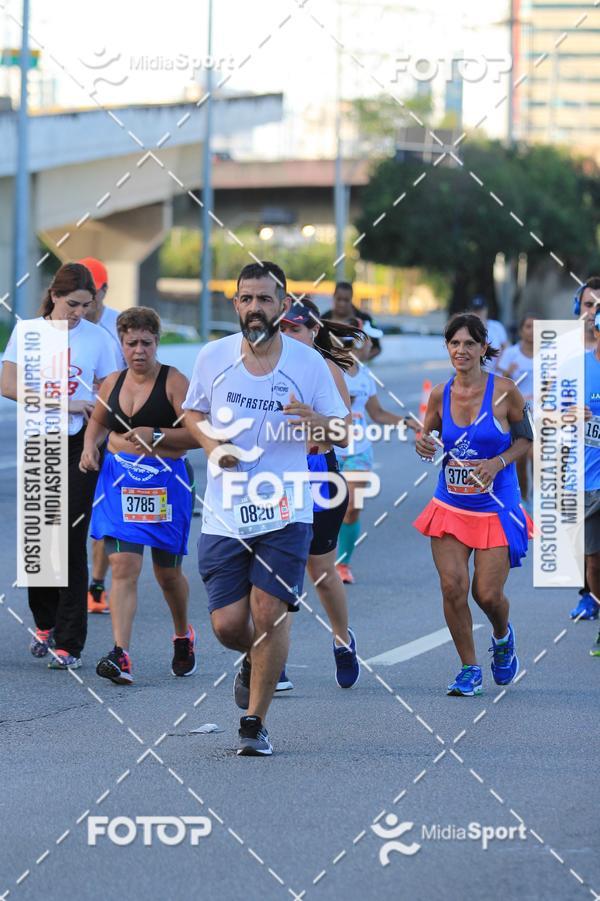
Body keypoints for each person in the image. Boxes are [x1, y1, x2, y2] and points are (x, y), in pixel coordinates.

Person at [182, 261, 348, 756]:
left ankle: (254, 722)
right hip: (226, 511)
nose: (256, 308)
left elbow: (343, 431)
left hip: (286, 509)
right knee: (229, 625)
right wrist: (211, 447)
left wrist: (318, 420)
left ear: (282, 304)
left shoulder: (307, 363)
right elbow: (193, 411)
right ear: (236, 304)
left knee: (269, 612)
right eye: (247, 299)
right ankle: (255, 659)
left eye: (265, 299)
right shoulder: (213, 357)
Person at [1, 262, 119, 669]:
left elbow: (109, 397)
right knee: (40, 540)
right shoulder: (27, 332)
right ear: (54, 296)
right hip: (39, 441)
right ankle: (46, 622)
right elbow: (9, 386)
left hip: (80, 444)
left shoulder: (99, 339)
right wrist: (63, 402)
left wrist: (94, 440)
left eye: (86, 305)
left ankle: (70, 642)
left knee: (68, 539)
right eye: (72, 304)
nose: (79, 313)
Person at [413, 313, 533, 697]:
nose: (461, 350)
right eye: (454, 343)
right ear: (447, 348)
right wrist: (423, 443)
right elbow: (428, 433)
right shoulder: (440, 394)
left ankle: (502, 635)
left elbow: (525, 440)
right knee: (452, 587)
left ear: (484, 348)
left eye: (469, 343)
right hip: (450, 504)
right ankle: (469, 668)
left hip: (496, 505)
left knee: (487, 594)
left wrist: (496, 462)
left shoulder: (505, 391)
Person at [80, 307, 197, 684]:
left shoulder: (175, 382)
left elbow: (199, 435)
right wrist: (89, 448)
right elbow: (97, 422)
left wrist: (157, 435)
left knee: (167, 573)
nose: (139, 351)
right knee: (123, 567)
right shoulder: (112, 382)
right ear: (122, 343)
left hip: (166, 485)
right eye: (131, 343)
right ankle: (121, 653)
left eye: (146, 343)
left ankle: (182, 634)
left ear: (157, 342)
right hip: (121, 485)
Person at [279, 298, 360, 689]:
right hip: (273, 480)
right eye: (282, 329)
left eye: (295, 328)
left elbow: (345, 433)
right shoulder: (265, 368)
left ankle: (343, 640)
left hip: (319, 478)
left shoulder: (325, 369)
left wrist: (317, 424)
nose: (288, 336)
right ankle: (273, 660)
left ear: (313, 332)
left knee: (321, 573)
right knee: (280, 570)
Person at [334, 318, 416, 585]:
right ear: (356, 340)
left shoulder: (366, 375)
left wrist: (406, 422)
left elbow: (377, 413)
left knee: (352, 508)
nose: (373, 345)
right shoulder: (328, 369)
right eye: (370, 339)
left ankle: (342, 564)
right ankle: (317, 557)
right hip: (329, 448)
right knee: (320, 509)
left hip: (359, 449)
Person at [79, 256, 125, 616]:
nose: (84, 302)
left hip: (112, 431)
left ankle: (96, 584)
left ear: (104, 291)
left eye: (90, 294)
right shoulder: (61, 325)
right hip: (69, 430)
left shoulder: (119, 325)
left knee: (103, 515)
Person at [570, 278, 600, 621]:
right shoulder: (564, 355)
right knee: (589, 547)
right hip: (578, 465)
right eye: (589, 305)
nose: (593, 314)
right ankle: (588, 596)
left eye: (599, 307)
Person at [498, 312, 535, 509]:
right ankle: (525, 497)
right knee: (520, 458)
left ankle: (538, 497)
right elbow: (500, 382)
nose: (533, 331)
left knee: (536, 455)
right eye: (528, 326)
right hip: (519, 412)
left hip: (543, 412)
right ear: (521, 331)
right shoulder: (511, 353)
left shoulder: (549, 353)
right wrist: (508, 372)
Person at [323, 281, 382, 360]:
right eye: (339, 299)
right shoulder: (323, 319)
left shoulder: (365, 319)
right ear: (334, 297)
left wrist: (360, 361)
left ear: (351, 298)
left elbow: (377, 348)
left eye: (346, 300)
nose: (342, 304)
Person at [468, 296, 508, 370]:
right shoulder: (466, 329)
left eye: (480, 310)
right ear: (470, 312)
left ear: (486, 310)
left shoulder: (497, 326)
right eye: (475, 310)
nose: (478, 313)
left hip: (497, 373)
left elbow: (505, 347)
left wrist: (501, 364)